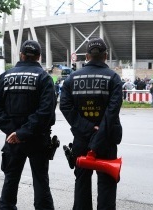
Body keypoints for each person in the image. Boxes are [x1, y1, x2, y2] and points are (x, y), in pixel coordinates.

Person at [0, 40, 56, 210]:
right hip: (37, 138)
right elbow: (46, 112)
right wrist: (23, 132)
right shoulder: (43, 78)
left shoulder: (5, 77)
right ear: (39, 57)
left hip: (12, 140)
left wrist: (14, 132)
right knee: (41, 181)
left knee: (10, 179)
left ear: (21, 55)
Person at [59, 37, 123, 209]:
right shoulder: (114, 78)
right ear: (105, 55)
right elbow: (112, 112)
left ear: (86, 56)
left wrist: (87, 128)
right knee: (107, 184)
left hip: (81, 138)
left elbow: (64, 105)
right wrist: (99, 132)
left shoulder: (72, 78)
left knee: (82, 182)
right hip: (107, 139)